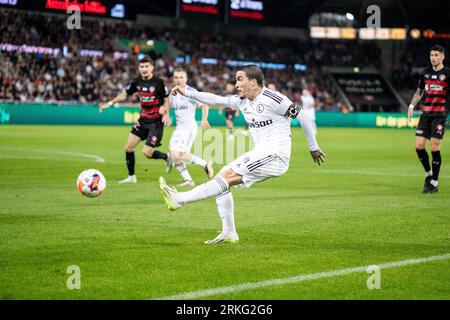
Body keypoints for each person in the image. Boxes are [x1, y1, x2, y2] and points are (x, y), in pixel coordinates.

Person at [160, 65, 325, 244]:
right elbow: (215, 100)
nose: (236, 84)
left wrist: (313, 147)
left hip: (275, 155)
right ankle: (229, 232)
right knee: (223, 178)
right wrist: (188, 93)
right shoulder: (242, 101)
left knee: (226, 177)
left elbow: (303, 116)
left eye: (240, 79)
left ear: (253, 82)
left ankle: (180, 199)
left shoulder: (274, 98)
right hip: (261, 153)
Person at [99, 56, 171, 184]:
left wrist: (166, 113)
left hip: (156, 123)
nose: (144, 69)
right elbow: (125, 94)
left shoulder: (159, 82)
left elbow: (166, 99)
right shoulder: (136, 82)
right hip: (142, 120)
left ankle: (167, 157)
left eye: (146, 66)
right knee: (128, 148)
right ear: (139, 68)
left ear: (152, 68)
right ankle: (131, 177)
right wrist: (109, 103)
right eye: (142, 66)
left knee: (147, 153)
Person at [408, 45, 449, 194]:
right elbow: (419, 92)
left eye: (437, 55)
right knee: (419, 146)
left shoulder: (447, 74)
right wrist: (412, 105)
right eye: (432, 55)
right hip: (425, 115)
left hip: (439, 115)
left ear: (443, 57)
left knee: (434, 147)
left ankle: (434, 182)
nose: (434, 58)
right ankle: (428, 174)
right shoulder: (425, 74)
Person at [167, 68, 214, 187]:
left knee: (177, 154)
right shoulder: (172, 93)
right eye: (176, 77)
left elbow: (205, 105)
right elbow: (167, 105)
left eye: (181, 77)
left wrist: (204, 119)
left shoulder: (191, 92)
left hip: (188, 128)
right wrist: (166, 114)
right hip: (179, 128)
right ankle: (188, 180)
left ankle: (205, 164)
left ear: (186, 78)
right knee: (173, 155)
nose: (178, 80)